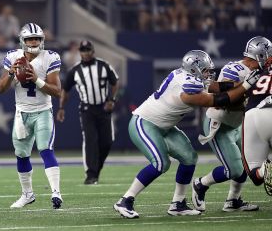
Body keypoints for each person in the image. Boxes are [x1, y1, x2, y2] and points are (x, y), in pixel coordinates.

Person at [113, 50, 261, 219]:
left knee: (189, 158)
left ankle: (178, 204)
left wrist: (242, 83)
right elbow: (220, 100)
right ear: (195, 69)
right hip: (145, 123)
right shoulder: (188, 89)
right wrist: (246, 86)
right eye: (205, 70)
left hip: (165, 127)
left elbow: (216, 86)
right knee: (161, 163)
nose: (209, 74)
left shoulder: (189, 78)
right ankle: (125, 200)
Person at [191, 36, 272, 212]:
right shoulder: (234, 68)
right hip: (219, 124)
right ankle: (200, 184)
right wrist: (246, 87)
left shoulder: (262, 74)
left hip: (238, 125)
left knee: (248, 163)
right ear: (260, 55)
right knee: (234, 170)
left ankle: (233, 201)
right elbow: (219, 93)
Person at [0, 23, 63, 209]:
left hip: (42, 111)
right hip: (21, 113)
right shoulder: (12, 57)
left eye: (37, 39)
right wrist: (11, 73)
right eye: (29, 39)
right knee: (21, 154)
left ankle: (56, 193)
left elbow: (57, 92)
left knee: (45, 149)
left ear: (42, 40)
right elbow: (0, 89)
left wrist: (36, 79)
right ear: (22, 41)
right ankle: (27, 194)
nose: (33, 42)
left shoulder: (50, 57)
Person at [56, 40, 119, 185]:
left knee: (107, 142)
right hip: (87, 109)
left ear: (93, 51)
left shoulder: (104, 65)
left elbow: (115, 82)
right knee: (90, 140)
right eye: (82, 50)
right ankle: (91, 175)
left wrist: (111, 100)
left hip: (103, 108)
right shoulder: (75, 70)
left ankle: (96, 170)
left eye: (87, 50)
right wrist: (61, 108)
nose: (85, 53)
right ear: (80, 52)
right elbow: (65, 90)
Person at [242, 39, 272, 196]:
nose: (247, 63)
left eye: (251, 59)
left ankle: (264, 170)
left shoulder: (255, 75)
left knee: (255, 175)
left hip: (254, 116)